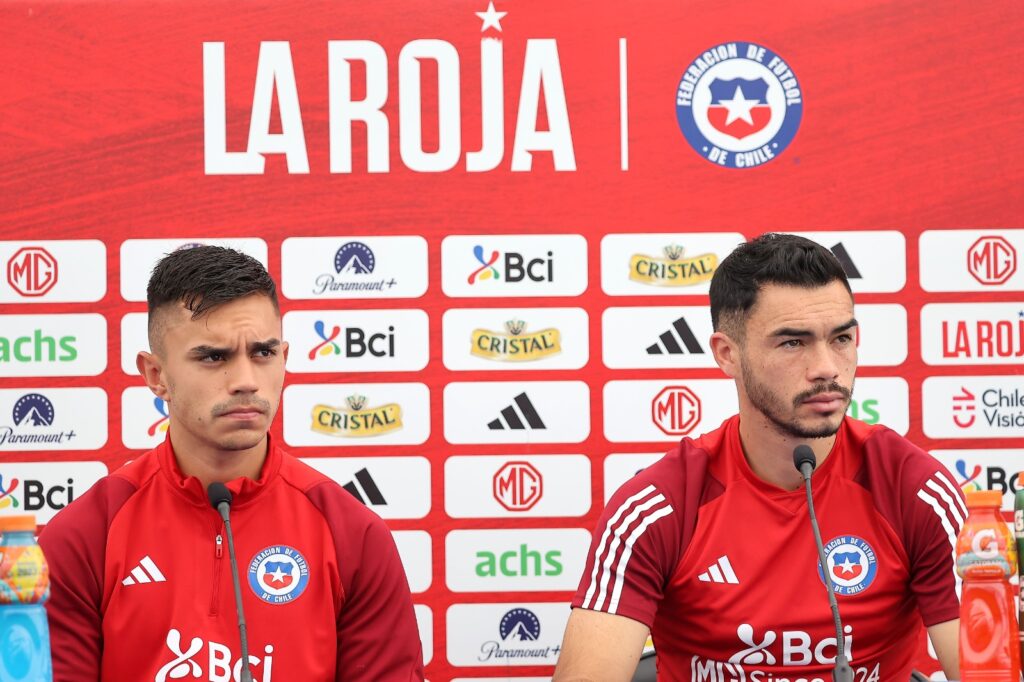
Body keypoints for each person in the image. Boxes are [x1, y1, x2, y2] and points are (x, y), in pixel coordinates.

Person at [553, 234, 963, 681]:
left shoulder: (916, 489)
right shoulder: (657, 507)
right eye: (793, 343)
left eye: (841, 338)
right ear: (727, 354)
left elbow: (984, 670)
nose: (826, 366)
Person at [39, 246, 424, 681]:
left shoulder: (353, 534)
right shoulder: (85, 535)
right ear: (155, 376)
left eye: (263, 353)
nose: (245, 380)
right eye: (213, 357)